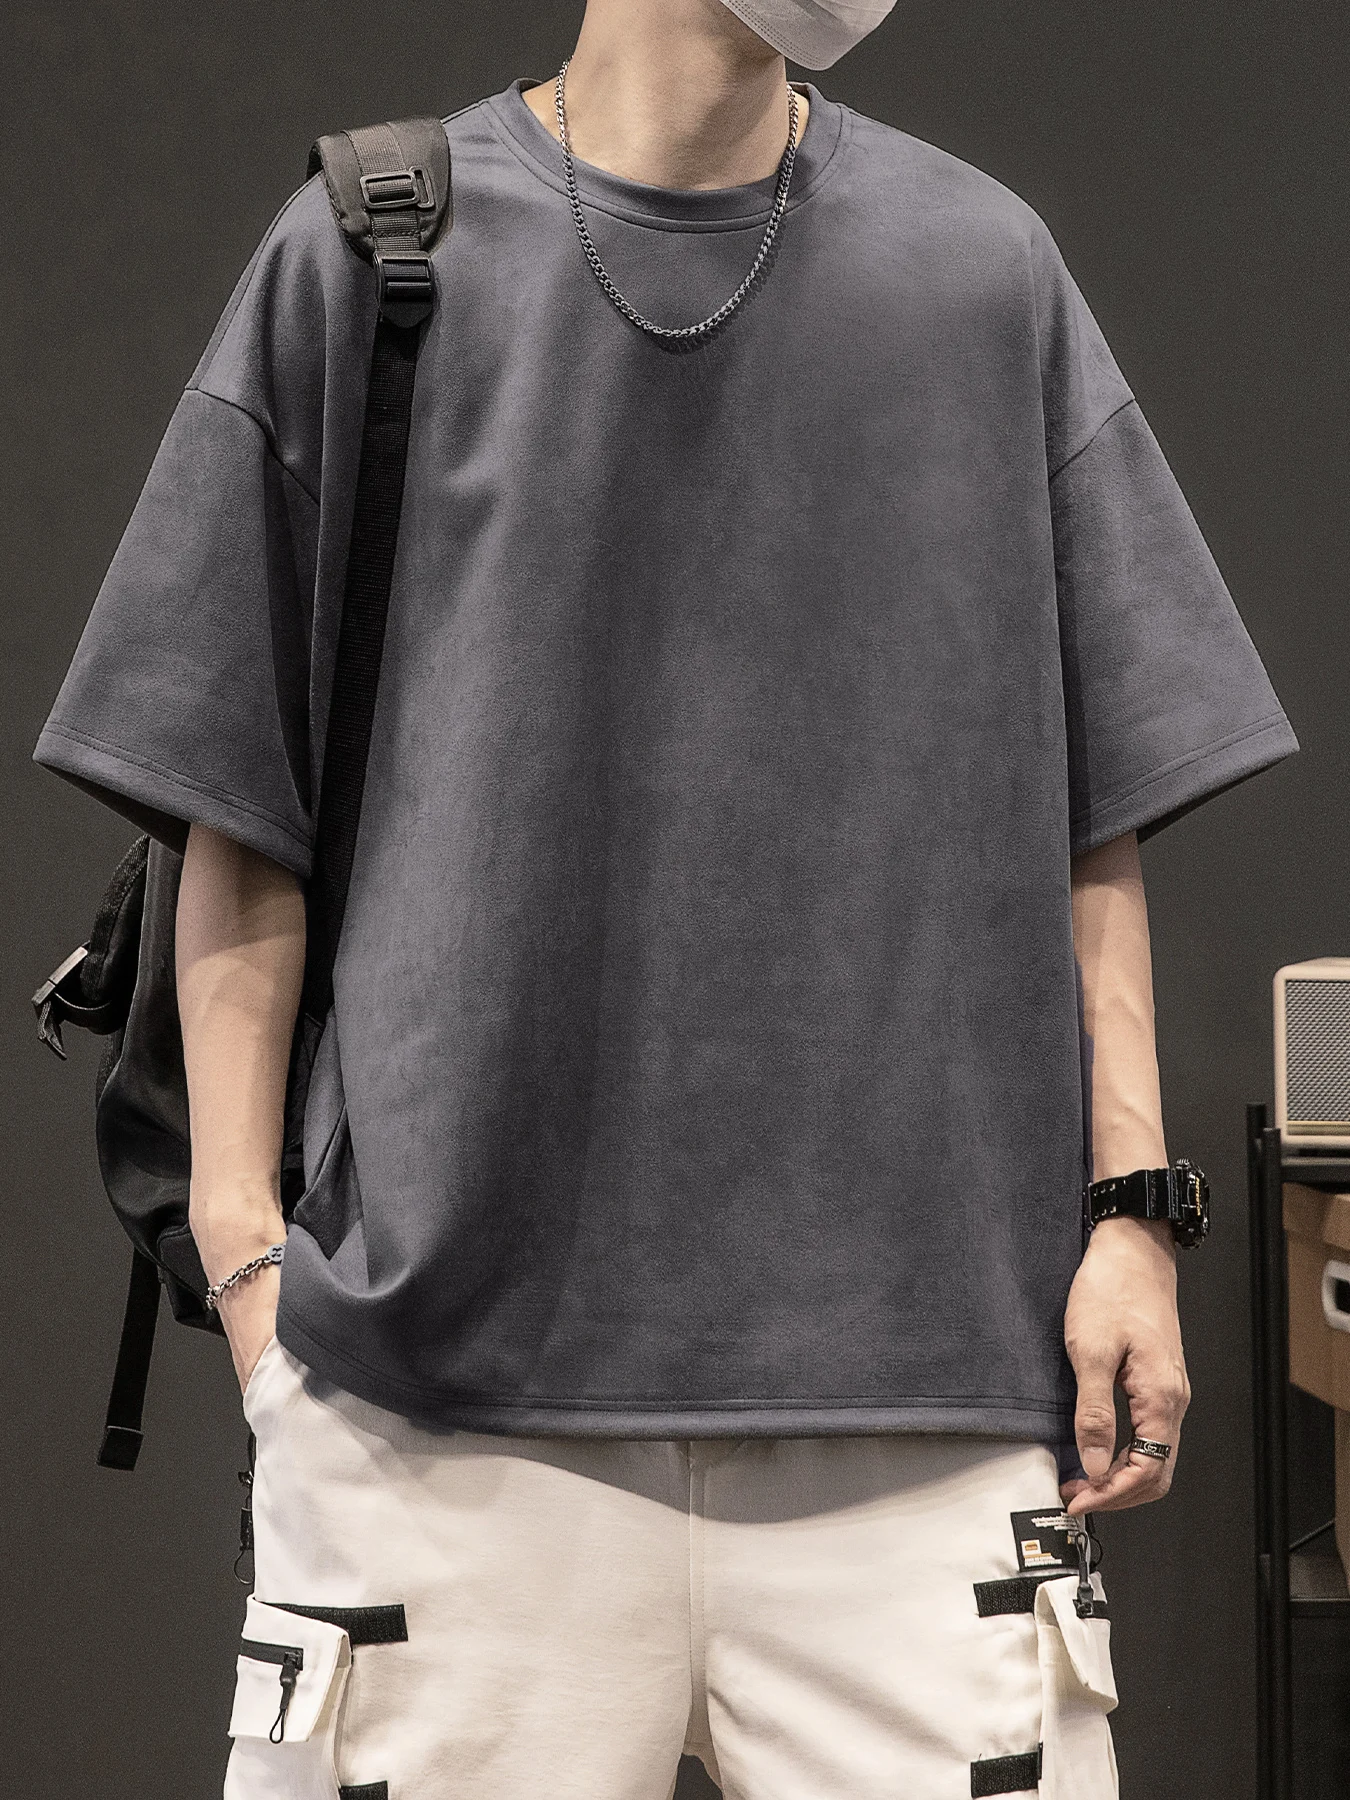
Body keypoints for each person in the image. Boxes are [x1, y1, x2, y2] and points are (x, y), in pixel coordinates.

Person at [33, 1, 1297, 1795]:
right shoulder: (372, 253)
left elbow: (1091, 809)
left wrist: (1130, 1221)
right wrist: (252, 1273)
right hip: (439, 1421)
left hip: (921, 1408)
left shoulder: (978, 271)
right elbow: (238, 811)